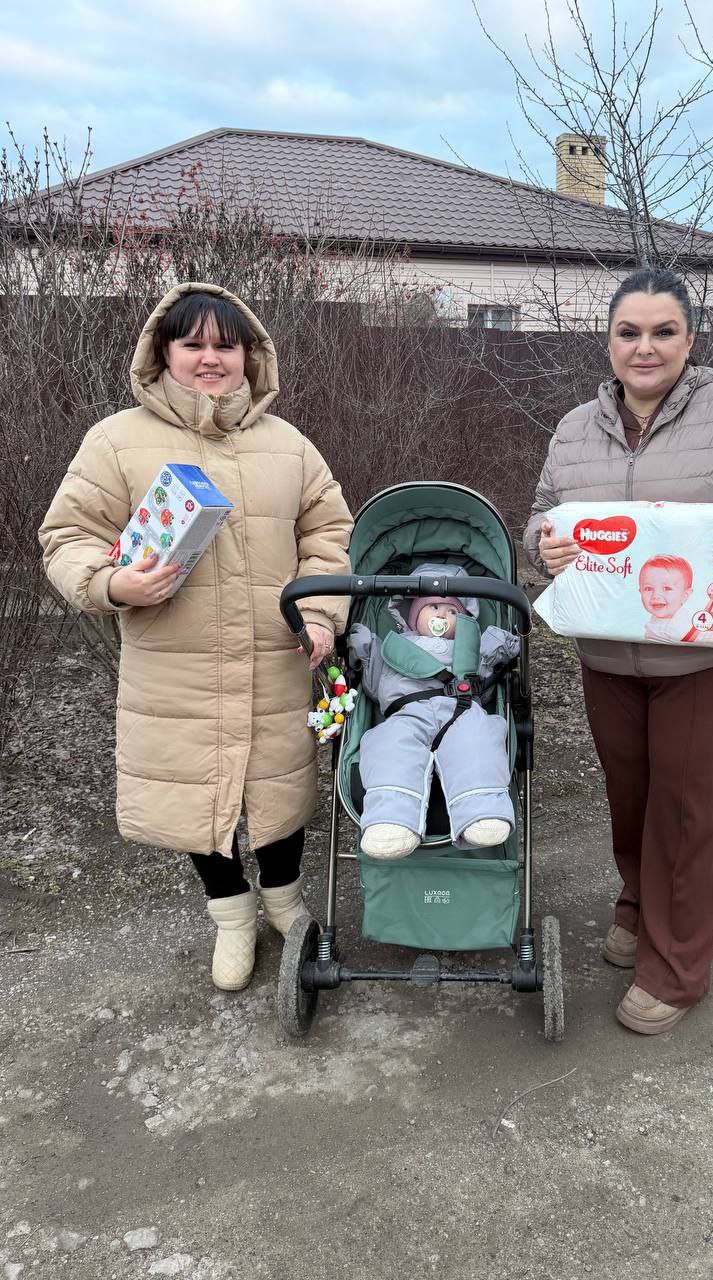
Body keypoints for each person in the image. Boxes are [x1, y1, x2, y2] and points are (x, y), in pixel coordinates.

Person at [524, 266, 713, 1036]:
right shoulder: (573, 428)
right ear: (609, 341)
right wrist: (543, 547)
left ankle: (678, 967)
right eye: (630, 332)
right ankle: (636, 904)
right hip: (610, 659)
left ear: (690, 339)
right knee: (631, 801)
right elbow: (540, 520)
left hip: (706, 662)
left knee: (689, 814)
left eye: (663, 332)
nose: (645, 347)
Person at [39, 283, 353, 992]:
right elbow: (66, 536)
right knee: (191, 792)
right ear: (164, 353)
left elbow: (329, 536)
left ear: (250, 356)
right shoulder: (116, 441)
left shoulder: (289, 445)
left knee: (277, 786)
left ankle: (284, 900)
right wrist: (112, 584)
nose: (211, 359)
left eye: (226, 344)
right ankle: (232, 914)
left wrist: (318, 611)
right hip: (173, 663)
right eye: (194, 344)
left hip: (274, 655)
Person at [347, 564, 520, 859]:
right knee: (389, 745)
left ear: (464, 620)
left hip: (461, 710)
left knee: (479, 739)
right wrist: (364, 648)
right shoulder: (395, 646)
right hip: (407, 713)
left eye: (452, 612)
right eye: (434, 607)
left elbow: (489, 684)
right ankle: (392, 820)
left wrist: (502, 645)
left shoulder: (470, 648)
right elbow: (374, 684)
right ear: (413, 614)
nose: (442, 615)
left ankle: (481, 811)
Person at [638, 554, 695, 643]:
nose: (656, 595)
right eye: (648, 588)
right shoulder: (657, 619)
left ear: (685, 595)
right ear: (640, 591)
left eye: (666, 588)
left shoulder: (681, 626)